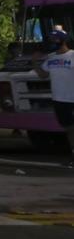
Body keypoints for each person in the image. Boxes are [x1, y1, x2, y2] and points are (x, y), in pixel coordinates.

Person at [33, 30, 74, 164]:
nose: (52, 42)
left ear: (63, 40)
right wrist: (35, 62)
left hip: (72, 98)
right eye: (51, 39)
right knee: (68, 128)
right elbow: (43, 75)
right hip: (59, 99)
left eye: (55, 40)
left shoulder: (72, 56)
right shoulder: (51, 57)